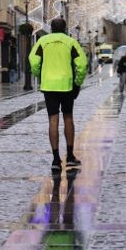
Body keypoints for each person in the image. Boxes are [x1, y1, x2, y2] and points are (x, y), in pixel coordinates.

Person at [30, 18, 89, 173]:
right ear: (65, 28)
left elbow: (33, 61)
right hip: (67, 85)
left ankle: (56, 159)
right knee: (68, 117)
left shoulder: (42, 41)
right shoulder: (71, 42)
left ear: (51, 28)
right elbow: (82, 64)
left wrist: (40, 75)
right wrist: (77, 81)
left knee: (53, 120)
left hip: (49, 86)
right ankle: (69, 155)